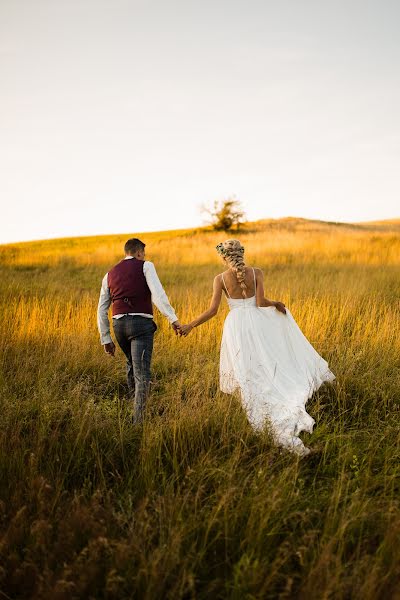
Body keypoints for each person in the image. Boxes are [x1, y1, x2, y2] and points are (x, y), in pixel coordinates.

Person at [179, 239, 335, 457]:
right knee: (267, 360)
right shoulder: (256, 273)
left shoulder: (220, 279)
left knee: (247, 367)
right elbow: (260, 302)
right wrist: (276, 304)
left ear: (224, 257)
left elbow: (213, 310)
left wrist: (190, 325)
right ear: (241, 254)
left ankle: (257, 401)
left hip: (236, 327)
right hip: (257, 322)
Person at [97, 238, 180, 423]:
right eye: (144, 254)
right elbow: (158, 295)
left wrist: (106, 338)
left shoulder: (109, 274)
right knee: (142, 374)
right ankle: (138, 422)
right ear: (139, 252)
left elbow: (101, 308)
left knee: (131, 364)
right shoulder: (146, 266)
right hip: (140, 325)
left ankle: (132, 406)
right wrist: (173, 319)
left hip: (118, 327)